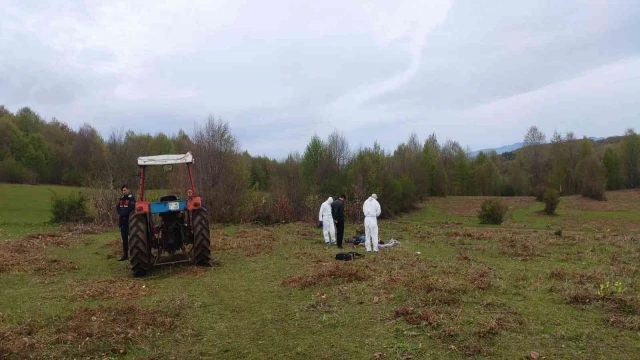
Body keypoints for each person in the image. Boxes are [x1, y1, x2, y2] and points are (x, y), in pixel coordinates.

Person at [116, 184, 136, 261]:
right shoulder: (121, 199)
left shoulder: (131, 199)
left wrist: (124, 213)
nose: (124, 192)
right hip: (122, 222)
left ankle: (133, 254)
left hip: (129, 221)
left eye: (125, 190)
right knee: (124, 240)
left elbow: (131, 208)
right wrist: (120, 213)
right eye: (123, 190)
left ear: (128, 190)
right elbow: (118, 208)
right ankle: (125, 255)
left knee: (132, 239)